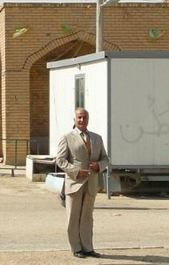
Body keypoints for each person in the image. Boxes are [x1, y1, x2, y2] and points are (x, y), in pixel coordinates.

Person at [55, 107, 109, 259]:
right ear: (74, 119)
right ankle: (76, 247)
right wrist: (76, 171)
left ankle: (88, 247)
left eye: (84, 117)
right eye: (79, 117)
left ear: (88, 119)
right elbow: (60, 160)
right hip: (74, 183)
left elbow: (106, 158)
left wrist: (99, 166)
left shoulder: (97, 138)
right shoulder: (66, 137)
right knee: (73, 217)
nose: (81, 120)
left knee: (87, 217)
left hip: (91, 184)